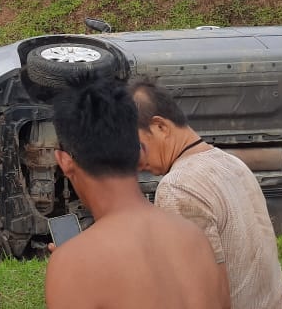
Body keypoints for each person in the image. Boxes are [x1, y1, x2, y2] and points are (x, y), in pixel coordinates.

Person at [45, 80, 228, 309]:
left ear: (64, 162)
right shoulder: (194, 238)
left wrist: (71, 260)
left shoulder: (73, 264)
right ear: (141, 154)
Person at [127, 77, 282, 309]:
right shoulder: (231, 162)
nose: (136, 162)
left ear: (160, 127)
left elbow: (197, 295)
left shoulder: (177, 187)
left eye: (135, 146)